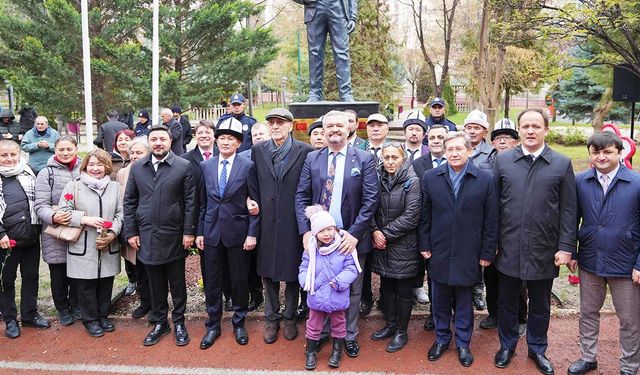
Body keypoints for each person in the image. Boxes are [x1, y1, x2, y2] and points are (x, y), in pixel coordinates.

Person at [493, 109, 577, 375]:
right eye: (526, 126)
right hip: (508, 246)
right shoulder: (504, 161)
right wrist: (491, 243)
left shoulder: (561, 163)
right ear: (519, 130)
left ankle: (537, 348)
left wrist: (566, 247)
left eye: (536, 126)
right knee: (506, 301)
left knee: (540, 303)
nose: (530, 131)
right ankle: (507, 345)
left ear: (546, 130)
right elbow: (493, 206)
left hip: (544, 248)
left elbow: (568, 210)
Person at [295, 110, 378, 358]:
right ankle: (319, 334)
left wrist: (355, 234)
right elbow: (301, 196)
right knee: (319, 284)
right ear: (323, 128)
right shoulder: (313, 159)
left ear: (348, 128)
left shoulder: (363, 159)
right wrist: (305, 232)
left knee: (350, 289)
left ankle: (348, 335)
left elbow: (371, 199)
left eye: (339, 126)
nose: (334, 130)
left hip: (349, 238)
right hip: (320, 238)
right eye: (329, 125)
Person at [420, 132, 498, 368]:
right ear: (444, 152)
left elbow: (491, 219)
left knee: (464, 300)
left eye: (459, 149)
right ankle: (442, 338)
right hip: (439, 248)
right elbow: (425, 215)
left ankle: (463, 342)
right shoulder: (431, 177)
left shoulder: (484, 179)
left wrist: (487, 252)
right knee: (440, 298)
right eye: (450, 149)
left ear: (469, 151)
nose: (454, 153)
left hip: (470, 251)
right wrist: (424, 244)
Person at [568, 131, 640, 375]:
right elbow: (572, 219)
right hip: (590, 259)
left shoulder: (636, 183)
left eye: (607, 151)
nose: (601, 157)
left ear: (620, 153)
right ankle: (588, 357)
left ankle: (629, 367)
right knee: (588, 312)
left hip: (626, 261)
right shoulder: (580, 181)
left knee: (630, 320)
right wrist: (573, 252)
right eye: (596, 152)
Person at [123, 125, 196, 347]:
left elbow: (191, 202)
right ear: (149, 143)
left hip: (174, 234)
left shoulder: (183, 166)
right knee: (155, 284)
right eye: (153, 139)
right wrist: (131, 231)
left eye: (162, 139)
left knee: (177, 283)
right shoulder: (138, 169)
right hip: (146, 235)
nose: (158, 143)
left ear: (170, 141)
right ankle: (160, 322)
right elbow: (129, 201)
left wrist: (189, 232)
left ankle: (180, 322)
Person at [250, 108, 313, 344]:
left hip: (292, 222)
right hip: (266, 222)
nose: (275, 126)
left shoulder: (305, 151)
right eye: (271, 122)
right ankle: (271, 319)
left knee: (292, 273)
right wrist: (250, 200)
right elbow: (251, 182)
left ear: (290, 125)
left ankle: (289, 317)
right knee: (268, 273)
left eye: (280, 122)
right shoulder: (258, 150)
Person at [195, 117, 259, 349]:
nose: (224, 142)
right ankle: (213, 325)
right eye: (221, 138)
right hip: (211, 233)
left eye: (230, 139)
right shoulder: (206, 166)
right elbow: (203, 203)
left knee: (240, 280)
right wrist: (200, 231)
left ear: (238, 144)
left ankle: (239, 322)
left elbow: (254, 202)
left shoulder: (248, 167)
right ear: (216, 141)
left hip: (238, 233)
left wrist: (252, 233)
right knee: (212, 281)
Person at [59, 149, 122, 338]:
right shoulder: (73, 186)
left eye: (100, 164)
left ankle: (103, 315)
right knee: (85, 286)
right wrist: (84, 219)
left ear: (107, 167)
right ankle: (90, 320)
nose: (95, 168)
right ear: (85, 166)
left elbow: (121, 214)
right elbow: (63, 211)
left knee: (105, 283)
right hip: (83, 244)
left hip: (107, 243)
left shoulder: (115, 187)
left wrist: (112, 233)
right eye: (91, 165)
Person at [370, 143, 422, 353]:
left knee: (403, 290)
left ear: (403, 159)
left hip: (403, 246)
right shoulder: (378, 179)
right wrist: (374, 230)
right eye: (387, 157)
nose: (390, 162)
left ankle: (402, 331)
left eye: (395, 157)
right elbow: (369, 206)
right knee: (387, 287)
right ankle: (390, 324)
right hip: (381, 244)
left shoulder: (413, 182)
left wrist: (385, 234)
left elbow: (412, 216)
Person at [480, 118, 527, 334]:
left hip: (516, 228)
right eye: (498, 138)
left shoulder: (523, 163)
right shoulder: (484, 163)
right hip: (489, 227)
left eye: (507, 137)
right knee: (490, 273)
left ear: (516, 142)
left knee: (516, 276)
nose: (502, 142)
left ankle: (519, 315)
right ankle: (494, 312)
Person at [0, 140, 51, 339]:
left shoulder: (28, 172)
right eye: (4, 155)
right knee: (6, 281)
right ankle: (10, 319)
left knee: (31, 277)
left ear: (19, 154)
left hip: (30, 238)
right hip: (7, 241)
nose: (9, 159)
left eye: (13, 154)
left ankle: (30, 314)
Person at [299, 205, 360, 370]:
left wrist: (339, 282)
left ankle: (336, 351)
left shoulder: (343, 247)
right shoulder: (311, 249)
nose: (326, 234)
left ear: (335, 228)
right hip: (316, 293)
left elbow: (351, 268)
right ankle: (311, 352)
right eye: (322, 231)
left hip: (337, 293)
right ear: (315, 233)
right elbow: (304, 267)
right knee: (313, 323)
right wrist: (305, 281)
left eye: (329, 229)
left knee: (339, 323)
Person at [35, 136, 82, 327]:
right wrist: (53, 217)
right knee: (59, 273)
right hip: (55, 229)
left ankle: (77, 304)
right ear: (55, 150)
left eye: (69, 149)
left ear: (76, 149)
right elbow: (40, 205)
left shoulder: (84, 168)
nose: (65, 153)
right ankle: (63, 308)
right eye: (61, 149)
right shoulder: (46, 173)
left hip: (79, 226)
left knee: (78, 272)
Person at [411, 124, 449, 331]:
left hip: (448, 229)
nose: (436, 141)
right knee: (431, 274)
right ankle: (435, 314)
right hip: (424, 227)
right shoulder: (417, 164)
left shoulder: (456, 162)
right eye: (432, 137)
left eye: (440, 137)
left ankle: (446, 311)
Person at [115, 138, 152, 320]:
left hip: (150, 228)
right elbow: (122, 202)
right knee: (138, 268)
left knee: (152, 268)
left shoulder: (153, 170)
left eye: (140, 152)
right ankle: (145, 302)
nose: (135, 156)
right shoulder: (122, 173)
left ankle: (157, 303)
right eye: (133, 153)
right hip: (131, 227)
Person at [293, 0, 357, 102]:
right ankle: (315, 93)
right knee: (314, 53)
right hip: (315, 8)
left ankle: (346, 94)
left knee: (342, 53)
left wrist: (353, 15)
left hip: (339, 7)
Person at [461, 109, 493, 311]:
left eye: (477, 128)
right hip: (457, 210)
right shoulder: (456, 149)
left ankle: (478, 290)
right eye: (469, 127)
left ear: (484, 132)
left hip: (479, 213)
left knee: (478, 254)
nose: (472, 132)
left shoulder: (491, 154)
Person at [358, 112, 389, 317]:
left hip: (388, 211)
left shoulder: (396, 149)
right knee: (364, 260)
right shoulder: (357, 150)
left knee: (387, 258)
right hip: (363, 211)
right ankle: (365, 297)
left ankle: (386, 299)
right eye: (372, 126)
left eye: (380, 125)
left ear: (387, 128)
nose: (376, 129)